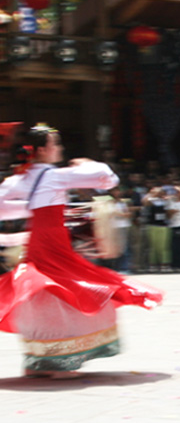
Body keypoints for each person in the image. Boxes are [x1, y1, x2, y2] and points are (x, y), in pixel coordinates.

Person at [0, 124, 162, 378]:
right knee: (67, 291)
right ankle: (62, 363)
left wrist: (31, 209)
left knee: (42, 295)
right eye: (56, 143)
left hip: (37, 241)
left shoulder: (21, 177)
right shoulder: (55, 175)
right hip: (53, 241)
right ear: (42, 150)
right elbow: (108, 178)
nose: (60, 148)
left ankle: (36, 361)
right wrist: (85, 164)